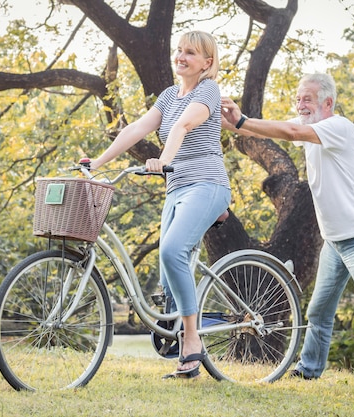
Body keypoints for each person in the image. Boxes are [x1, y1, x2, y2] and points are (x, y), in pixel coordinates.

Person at [221, 73, 354, 397]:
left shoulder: (338, 128)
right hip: (334, 241)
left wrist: (243, 120)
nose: (300, 104)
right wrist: (231, 123)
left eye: (306, 98)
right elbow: (276, 128)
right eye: (298, 98)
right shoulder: (312, 129)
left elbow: (291, 130)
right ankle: (309, 369)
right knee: (318, 311)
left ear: (327, 103)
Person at [90, 31, 231, 379]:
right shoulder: (168, 97)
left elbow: (185, 125)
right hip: (177, 190)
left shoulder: (208, 90)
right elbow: (136, 128)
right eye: (179, 51)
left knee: (171, 252)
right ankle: (187, 355)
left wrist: (163, 159)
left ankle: (193, 339)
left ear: (206, 63)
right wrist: (97, 163)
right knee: (168, 276)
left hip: (207, 183)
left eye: (190, 53)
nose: (181, 57)